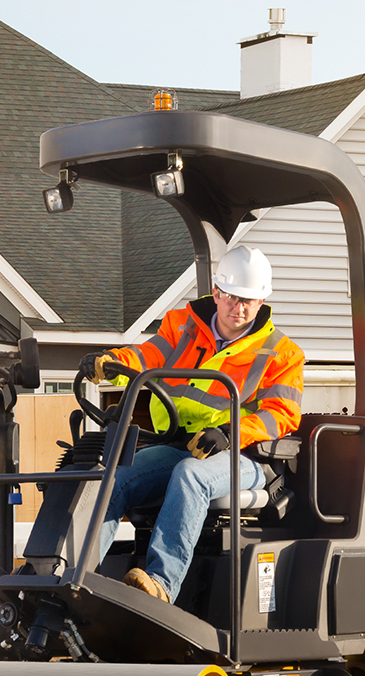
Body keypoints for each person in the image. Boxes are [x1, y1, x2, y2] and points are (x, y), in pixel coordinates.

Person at [75, 245, 305, 603]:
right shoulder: (182, 325)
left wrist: (230, 433)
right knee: (117, 477)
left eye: (248, 300)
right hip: (181, 444)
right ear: (216, 293)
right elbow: (148, 356)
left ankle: (161, 585)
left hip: (248, 459)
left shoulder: (282, 353)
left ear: (261, 301)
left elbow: (282, 414)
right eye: (231, 297)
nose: (238, 308)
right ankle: (76, 576)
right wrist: (112, 361)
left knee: (189, 475)